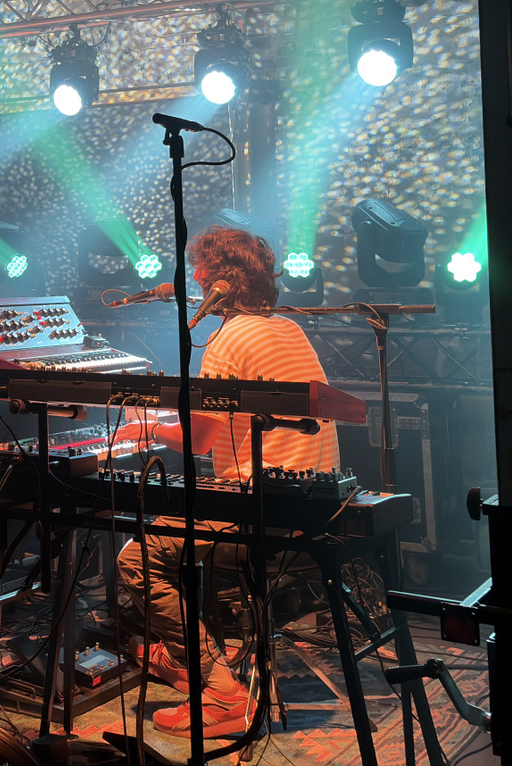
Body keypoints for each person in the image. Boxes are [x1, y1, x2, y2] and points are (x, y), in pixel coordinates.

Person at [111, 226, 339, 735]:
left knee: (140, 557)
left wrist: (146, 425)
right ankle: (190, 659)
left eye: (202, 271)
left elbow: (198, 440)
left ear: (223, 282)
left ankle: (220, 692)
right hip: (309, 507)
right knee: (180, 530)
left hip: (258, 513)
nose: (193, 277)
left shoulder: (228, 338)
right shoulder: (286, 329)